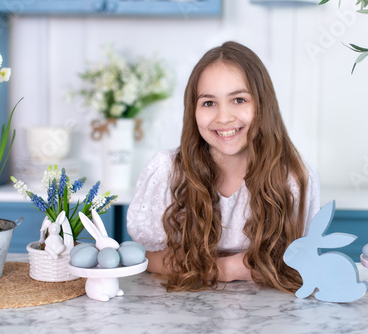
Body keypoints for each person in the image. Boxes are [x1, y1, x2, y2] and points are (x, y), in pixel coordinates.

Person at [127, 41, 320, 293]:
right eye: (209, 103)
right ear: (193, 110)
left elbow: (298, 261)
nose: (224, 117)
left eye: (239, 100)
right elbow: (151, 258)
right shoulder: (167, 172)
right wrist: (227, 269)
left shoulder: (292, 178)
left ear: (263, 105)